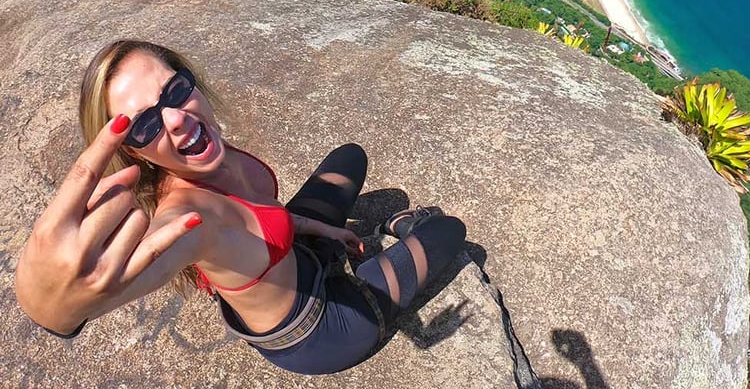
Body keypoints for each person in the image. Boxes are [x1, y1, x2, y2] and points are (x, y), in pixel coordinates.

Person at [15, 39, 467, 375]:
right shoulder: (191, 216)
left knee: (350, 157)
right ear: (134, 151)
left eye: (174, 93)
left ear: (190, 82)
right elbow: (152, 256)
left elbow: (263, 211)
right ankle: (391, 244)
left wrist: (322, 229)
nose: (175, 119)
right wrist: (57, 309)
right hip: (320, 327)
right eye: (146, 124)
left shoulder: (212, 153)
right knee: (449, 232)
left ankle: (337, 251)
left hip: (301, 255)